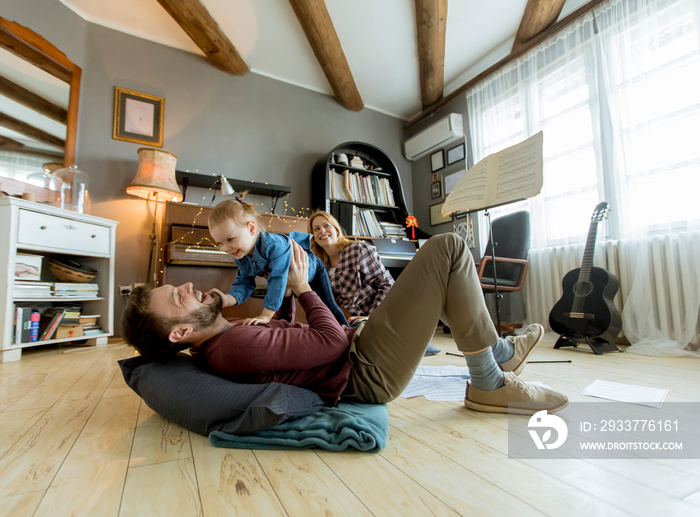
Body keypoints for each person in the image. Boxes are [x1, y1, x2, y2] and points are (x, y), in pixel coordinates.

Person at [121, 233, 568, 414]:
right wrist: (301, 289)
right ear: (179, 333)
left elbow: (290, 340)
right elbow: (330, 344)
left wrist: (299, 283)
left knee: (443, 275)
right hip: (365, 367)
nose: (190, 288)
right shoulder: (232, 348)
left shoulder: (226, 337)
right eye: (179, 299)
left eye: (179, 286)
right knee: (448, 248)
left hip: (360, 346)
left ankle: (500, 358)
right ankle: (490, 381)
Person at [207, 196, 347, 326]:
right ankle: (285, 327)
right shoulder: (242, 257)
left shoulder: (273, 245)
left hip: (314, 269)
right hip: (288, 280)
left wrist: (265, 315)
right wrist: (226, 299)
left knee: (329, 305)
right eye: (220, 243)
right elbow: (243, 283)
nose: (226, 248)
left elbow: (278, 278)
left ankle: (348, 331)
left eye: (230, 239)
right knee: (285, 299)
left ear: (251, 228)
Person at [308, 210, 394, 325]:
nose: (322, 231)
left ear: (336, 230)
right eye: (316, 229)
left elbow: (386, 284)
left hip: (369, 319)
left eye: (326, 225)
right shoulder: (320, 266)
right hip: (342, 321)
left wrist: (370, 317)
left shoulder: (358, 250)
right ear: (313, 237)